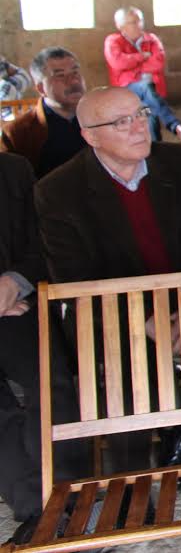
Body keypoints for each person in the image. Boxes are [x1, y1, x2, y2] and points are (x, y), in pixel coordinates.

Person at [36, 86, 181, 472]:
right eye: (122, 122)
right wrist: (146, 320)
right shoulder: (58, 190)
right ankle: (132, 468)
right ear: (90, 136)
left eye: (141, 114)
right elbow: (74, 281)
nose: (139, 127)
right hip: (114, 313)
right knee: (122, 358)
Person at [0, 153, 90, 545]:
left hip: (17, 303)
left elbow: (42, 245)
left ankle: (66, 500)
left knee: (49, 379)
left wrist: (13, 283)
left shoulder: (13, 171)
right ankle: (37, 513)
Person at [103, 6, 181, 140]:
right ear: (121, 26)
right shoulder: (113, 41)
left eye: (140, 21)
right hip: (127, 89)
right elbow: (118, 62)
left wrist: (132, 66)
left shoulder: (151, 39)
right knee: (144, 87)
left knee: (148, 112)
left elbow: (158, 63)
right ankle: (175, 126)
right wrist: (142, 56)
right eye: (133, 22)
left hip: (152, 91)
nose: (139, 25)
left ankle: (155, 149)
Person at [1, 47, 88, 178]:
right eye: (60, 75)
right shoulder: (18, 133)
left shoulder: (102, 118)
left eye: (75, 72)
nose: (74, 81)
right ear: (41, 88)